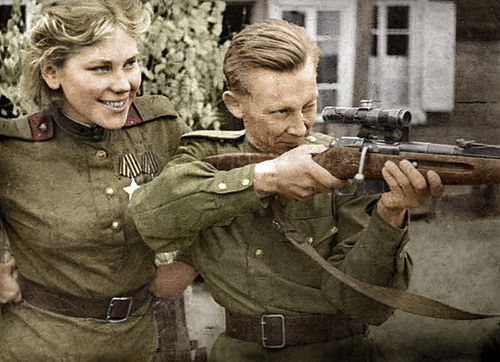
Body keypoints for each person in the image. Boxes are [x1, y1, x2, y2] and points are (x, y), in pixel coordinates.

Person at [128, 19, 443, 361]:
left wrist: (391, 214)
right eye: (281, 112)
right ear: (235, 104)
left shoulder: (341, 161)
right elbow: (151, 218)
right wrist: (266, 177)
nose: (299, 126)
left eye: (309, 106)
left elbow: (366, 305)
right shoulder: (206, 157)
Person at [0, 0, 197, 360]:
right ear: (51, 73)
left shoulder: (160, 129)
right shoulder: (12, 149)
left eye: (131, 64)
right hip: (37, 346)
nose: (124, 84)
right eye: (101, 68)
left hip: (136, 343)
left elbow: (219, 194)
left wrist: (188, 264)